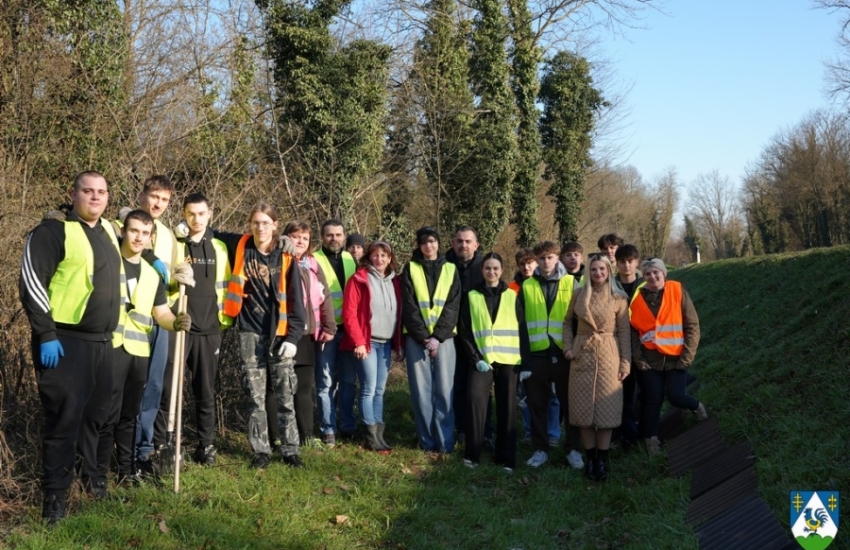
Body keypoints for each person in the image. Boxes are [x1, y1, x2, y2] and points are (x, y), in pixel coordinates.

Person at [20, 171, 122, 524]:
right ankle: (55, 498)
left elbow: (139, 235)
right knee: (64, 421)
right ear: (72, 194)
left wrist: (156, 260)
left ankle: (91, 483)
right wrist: (45, 333)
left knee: (97, 419)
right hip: (65, 342)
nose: (95, 197)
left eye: (101, 192)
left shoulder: (108, 230)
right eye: (87, 191)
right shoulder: (53, 231)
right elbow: (32, 281)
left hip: (102, 343)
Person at [97, 210, 193, 486]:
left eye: (144, 233)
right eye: (134, 231)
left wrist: (176, 322)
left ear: (151, 238)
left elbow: (160, 313)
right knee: (107, 415)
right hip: (110, 349)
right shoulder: (108, 263)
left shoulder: (152, 275)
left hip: (138, 353)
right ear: (123, 232)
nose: (139, 238)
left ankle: (127, 472)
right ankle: (98, 474)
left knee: (129, 416)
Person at [217, 203, 306, 468]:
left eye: (265, 223)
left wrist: (293, 338)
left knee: (285, 395)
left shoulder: (286, 255)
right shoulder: (241, 245)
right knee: (255, 398)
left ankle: (290, 450)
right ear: (250, 224)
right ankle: (260, 451)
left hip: (280, 334)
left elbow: (296, 300)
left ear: (275, 225)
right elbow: (210, 232)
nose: (260, 228)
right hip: (250, 332)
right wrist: (183, 228)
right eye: (255, 222)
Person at [154, 193, 234, 468]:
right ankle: (165, 443)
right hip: (179, 324)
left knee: (205, 390)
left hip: (209, 327)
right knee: (169, 388)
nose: (196, 219)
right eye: (190, 214)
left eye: (201, 213)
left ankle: (206, 445)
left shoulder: (220, 247)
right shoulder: (176, 243)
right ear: (183, 215)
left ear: (210, 213)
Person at [265, 221, 336, 448]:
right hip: (279, 332)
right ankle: (276, 437)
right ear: (286, 237)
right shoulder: (276, 258)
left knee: (304, 387)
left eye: (305, 238)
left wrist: (329, 327)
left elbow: (325, 297)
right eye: (296, 236)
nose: (301, 241)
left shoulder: (312, 265)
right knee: (274, 388)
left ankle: (306, 436)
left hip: (305, 334)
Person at [562, 254, 631, 481]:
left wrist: (625, 362)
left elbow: (624, 332)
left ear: (609, 271)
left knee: (606, 410)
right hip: (582, 354)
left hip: (609, 355)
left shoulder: (619, 297)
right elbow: (567, 322)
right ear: (588, 272)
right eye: (593, 269)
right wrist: (568, 348)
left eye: (602, 269)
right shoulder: (579, 294)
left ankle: (602, 459)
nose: (598, 273)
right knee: (582, 410)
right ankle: (590, 458)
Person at [131, 175, 182, 477]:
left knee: (153, 387)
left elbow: (171, 280)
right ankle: (121, 450)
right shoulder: (123, 224)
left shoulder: (170, 237)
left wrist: (180, 278)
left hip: (159, 320)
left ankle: (144, 450)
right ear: (142, 195)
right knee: (127, 388)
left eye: (164, 199)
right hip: (126, 320)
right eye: (154, 196)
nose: (158, 203)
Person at [630, 258, 707, 456]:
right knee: (653, 399)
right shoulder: (637, 299)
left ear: (663, 273)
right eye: (647, 274)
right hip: (650, 360)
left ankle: (696, 406)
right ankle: (652, 440)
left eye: (656, 272)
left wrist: (687, 356)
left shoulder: (677, 291)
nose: (652, 277)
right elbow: (633, 332)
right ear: (643, 277)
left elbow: (692, 326)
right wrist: (639, 359)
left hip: (676, 358)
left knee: (676, 396)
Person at [519, 240, 582, 469]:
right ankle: (540, 449)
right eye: (542, 258)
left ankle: (573, 449)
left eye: (550, 257)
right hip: (537, 355)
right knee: (537, 404)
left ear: (558, 258)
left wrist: (576, 349)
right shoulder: (527, 285)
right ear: (536, 260)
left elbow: (579, 320)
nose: (546, 262)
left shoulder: (571, 283)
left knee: (571, 404)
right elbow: (521, 324)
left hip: (565, 353)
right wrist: (524, 358)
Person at [459, 252, 520, 470]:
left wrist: (525, 363)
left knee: (507, 408)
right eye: (487, 268)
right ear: (482, 270)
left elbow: (522, 329)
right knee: (475, 403)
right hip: (481, 360)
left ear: (502, 271)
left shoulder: (513, 295)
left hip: (509, 360)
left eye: (495, 268)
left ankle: (506, 459)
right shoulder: (471, 296)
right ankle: (472, 454)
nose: (491, 272)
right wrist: (475, 358)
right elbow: (465, 331)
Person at [402, 226, 461, 453]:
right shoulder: (410, 268)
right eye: (424, 242)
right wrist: (424, 337)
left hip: (444, 340)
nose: (429, 245)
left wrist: (437, 337)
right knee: (421, 393)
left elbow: (453, 306)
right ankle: (426, 442)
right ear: (419, 245)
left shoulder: (451, 268)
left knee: (445, 391)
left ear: (438, 243)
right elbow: (409, 306)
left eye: (432, 241)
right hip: (417, 339)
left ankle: (445, 443)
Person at [341, 241, 404, 453]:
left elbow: (399, 314)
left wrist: (399, 344)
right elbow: (349, 313)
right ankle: (370, 436)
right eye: (375, 255)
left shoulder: (395, 281)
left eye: (383, 255)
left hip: (385, 344)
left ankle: (379, 435)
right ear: (369, 257)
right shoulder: (359, 279)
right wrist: (358, 341)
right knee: (368, 388)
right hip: (367, 343)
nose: (379, 259)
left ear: (390, 258)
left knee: (379, 390)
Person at [313, 219, 358, 446]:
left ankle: (348, 426)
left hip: (349, 331)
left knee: (349, 381)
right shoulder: (314, 259)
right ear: (322, 237)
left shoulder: (351, 259)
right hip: (325, 331)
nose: (334, 239)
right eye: (330, 235)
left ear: (344, 236)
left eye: (338, 235)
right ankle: (328, 428)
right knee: (325, 382)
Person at [445, 225, 483, 444]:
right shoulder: (445, 266)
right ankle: (460, 427)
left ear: (476, 245)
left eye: (468, 241)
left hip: (479, 336)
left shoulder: (485, 266)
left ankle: (483, 431)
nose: (463, 245)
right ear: (453, 243)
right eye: (459, 241)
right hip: (452, 335)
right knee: (456, 383)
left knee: (480, 386)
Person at [613, 244, 645, 449]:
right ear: (616, 264)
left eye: (630, 261)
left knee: (645, 394)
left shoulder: (646, 285)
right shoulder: (610, 286)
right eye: (622, 261)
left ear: (637, 262)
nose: (627, 265)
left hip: (643, 347)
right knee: (622, 394)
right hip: (618, 347)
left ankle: (644, 432)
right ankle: (626, 437)